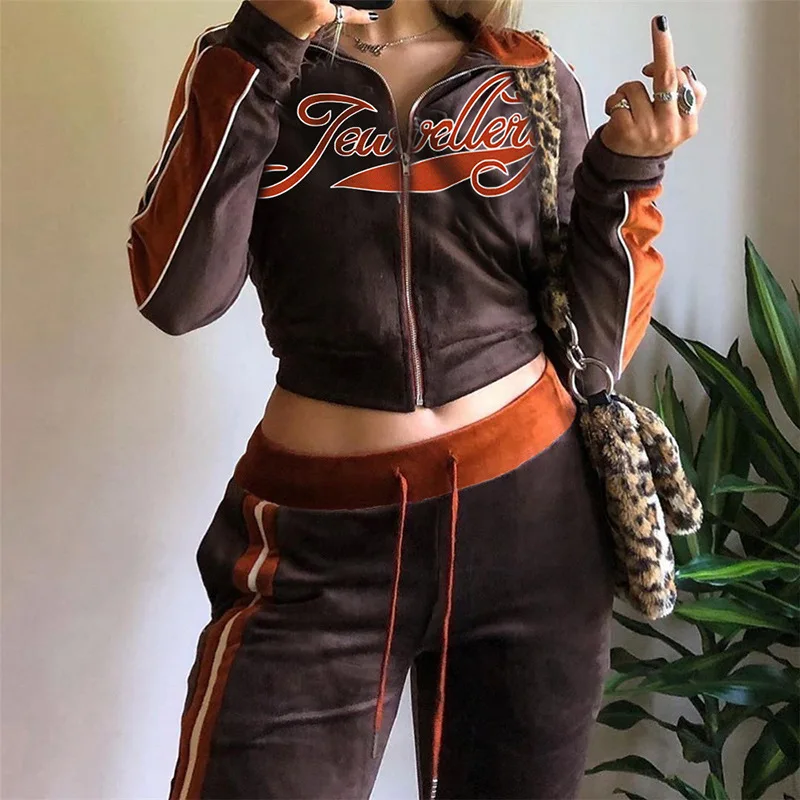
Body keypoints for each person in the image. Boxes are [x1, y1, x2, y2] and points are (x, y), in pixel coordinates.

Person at [127, 1, 705, 797]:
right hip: (316, 543)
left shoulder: (530, 76)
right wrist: (266, 40)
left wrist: (627, 171)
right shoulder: (245, 60)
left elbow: (593, 349)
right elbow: (177, 295)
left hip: (533, 529)